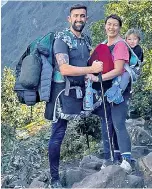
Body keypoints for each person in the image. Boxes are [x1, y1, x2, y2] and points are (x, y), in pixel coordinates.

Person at [44, 4, 103, 188]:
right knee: (58, 134)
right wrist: (91, 69)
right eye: (76, 16)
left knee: (105, 113)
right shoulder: (61, 39)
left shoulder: (85, 39)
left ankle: (111, 157)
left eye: (82, 16)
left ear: (86, 18)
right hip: (62, 92)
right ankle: (54, 178)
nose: (79, 19)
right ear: (69, 19)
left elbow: (86, 61)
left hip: (83, 90)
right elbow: (65, 68)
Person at [88, 14, 132, 173]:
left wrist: (97, 78)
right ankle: (112, 157)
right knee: (107, 124)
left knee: (118, 123)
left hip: (119, 90)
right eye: (109, 24)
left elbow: (118, 70)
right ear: (105, 26)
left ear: (119, 27)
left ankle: (127, 160)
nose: (111, 27)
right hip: (105, 90)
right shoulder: (103, 45)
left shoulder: (120, 45)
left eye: (115, 25)